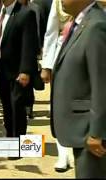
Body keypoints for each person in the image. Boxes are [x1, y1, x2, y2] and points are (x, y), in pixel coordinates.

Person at [51, 0, 106, 178]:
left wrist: (97, 132)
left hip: (90, 132)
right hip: (81, 129)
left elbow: (101, 83)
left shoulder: (96, 26)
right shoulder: (81, 22)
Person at [0, 0, 39, 144]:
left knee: (16, 106)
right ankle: (10, 137)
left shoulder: (25, 13)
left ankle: (18, 143)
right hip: (0, 68)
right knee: (6, 106)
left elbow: (29, 44)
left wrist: (25, 70)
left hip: (17, 70)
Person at [41, 0, 72, 172]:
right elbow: (51, 33)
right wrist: (47, 65)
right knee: (59, 107)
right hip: (63, 55)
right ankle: (63, 154)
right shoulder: (59, 2)